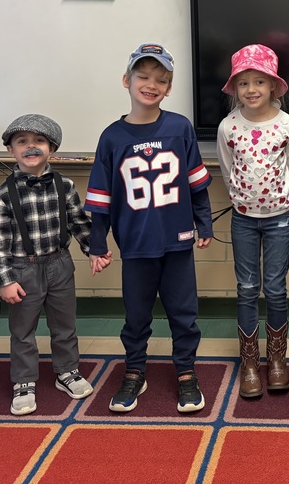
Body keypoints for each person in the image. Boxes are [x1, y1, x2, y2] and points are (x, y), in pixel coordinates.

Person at [85, 43, 213, 414]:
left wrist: (203, 222)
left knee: (183, 312)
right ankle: (135, 370)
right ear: (126, 80)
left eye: (162, 79)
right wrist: (97, 243)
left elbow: (195, 183)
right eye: (143, 76)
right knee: (136, 314)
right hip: (136, 243)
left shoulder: (179, 127)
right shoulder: (112, 137)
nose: (151, 84)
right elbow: (100, 197)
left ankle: (186, 372)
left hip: (177, 242)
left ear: (170, 88)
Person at [0, 114, 113, 416]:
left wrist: (93, 250)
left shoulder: (64, 185)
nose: (31, 148)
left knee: (64, 325)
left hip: (59, 264)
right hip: (22, 269)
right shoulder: (3, 193)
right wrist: (6, 280)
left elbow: (79, 223)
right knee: (22, 330)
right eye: (22, 142)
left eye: (39, 142)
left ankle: (67, 371)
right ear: (10, 150)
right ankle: (24, 381)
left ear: (52, 148)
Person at [217, 44, 289, 398]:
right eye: (243, 83)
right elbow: (225, 169)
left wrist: (281, 199)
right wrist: (242, 199)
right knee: (247, 289)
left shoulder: (288, 124)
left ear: (273, 86)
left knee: (277, 288)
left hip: (280, 217)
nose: (251, 90)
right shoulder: (228, 126)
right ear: (235, 88)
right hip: (244, 219)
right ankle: (250, 362)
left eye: (259, 82)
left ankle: (276, 361)